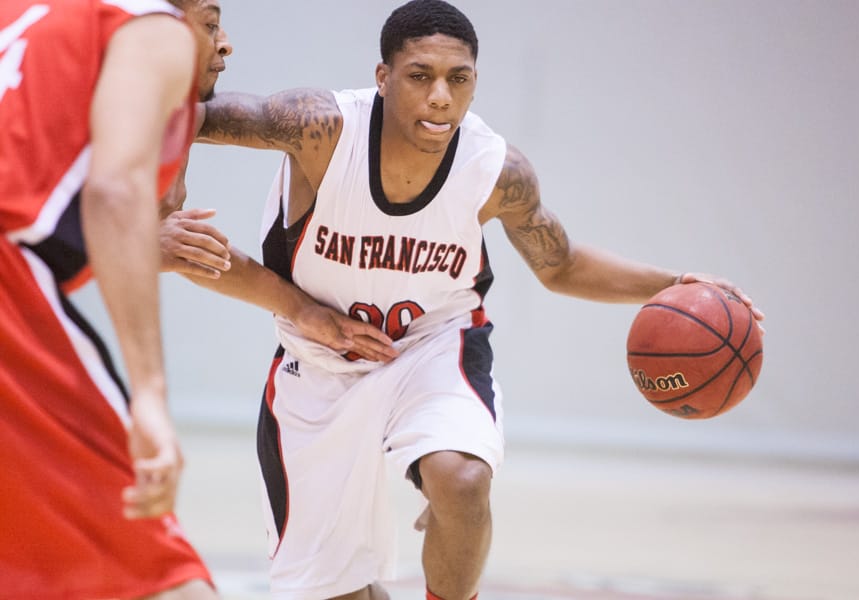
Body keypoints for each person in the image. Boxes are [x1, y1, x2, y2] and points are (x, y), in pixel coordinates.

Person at [189, 1, 766, 599]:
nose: (441, 96)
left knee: (462, 482)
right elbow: (186, 116)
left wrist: (672, 284)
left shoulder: (495, 170)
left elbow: (560, 265)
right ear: (383, 78)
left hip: (434, 345)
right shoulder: (320, 127)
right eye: (420, 76)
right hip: (318, 360)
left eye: (458, 79)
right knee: (338, 592)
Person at [0, 1, 229, 598]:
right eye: (210, 21)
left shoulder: (19, 15)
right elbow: (114, 189)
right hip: (10, 288)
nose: (223, 44)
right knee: (161, 575)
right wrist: (149, 394)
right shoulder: (150, 27)